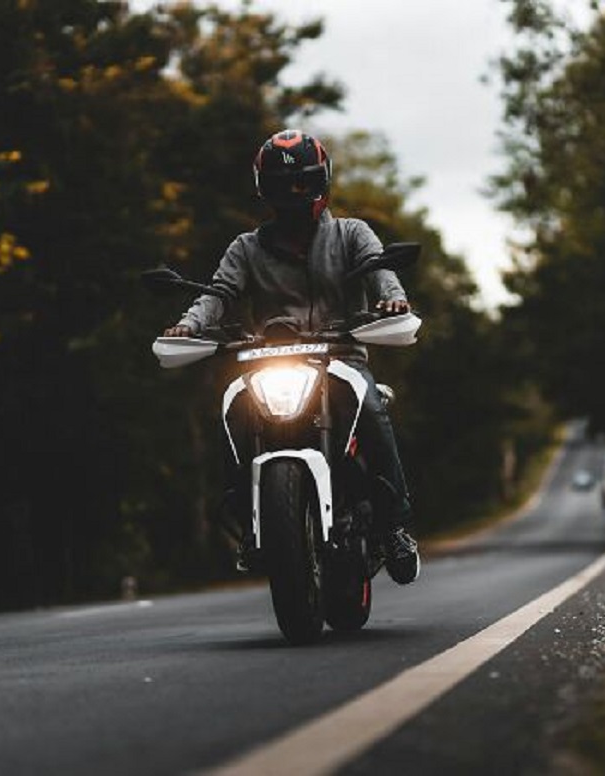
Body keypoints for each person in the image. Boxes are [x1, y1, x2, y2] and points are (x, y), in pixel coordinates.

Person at [162, 129, 420, 585]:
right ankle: (249, 525)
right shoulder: (245, 248)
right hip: (267, 362)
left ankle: (396, 526)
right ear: (265, 189)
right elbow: (218, 294)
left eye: (303, 182)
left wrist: (393, 301)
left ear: (322, 181)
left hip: (341, 357)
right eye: (284, 186)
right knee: (230, 411)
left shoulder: (351, 233)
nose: (294, 194)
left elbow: (381, 272)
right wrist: (190, 325)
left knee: (374, 409)